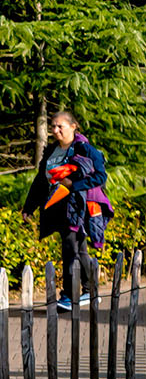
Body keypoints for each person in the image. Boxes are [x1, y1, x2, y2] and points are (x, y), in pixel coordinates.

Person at [21, 111, 113, 311]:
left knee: (71, 248)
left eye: (60, 126)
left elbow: (100, 177)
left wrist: (74, 184)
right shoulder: (52, 151)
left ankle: (70, 296)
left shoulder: (85, 149)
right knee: (78, 249)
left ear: (73, 126)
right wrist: (29, 206)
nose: (55, 130)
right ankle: (90, 291)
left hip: (79, 206)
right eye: (53, 126)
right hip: (58, 207)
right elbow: (40, 181)